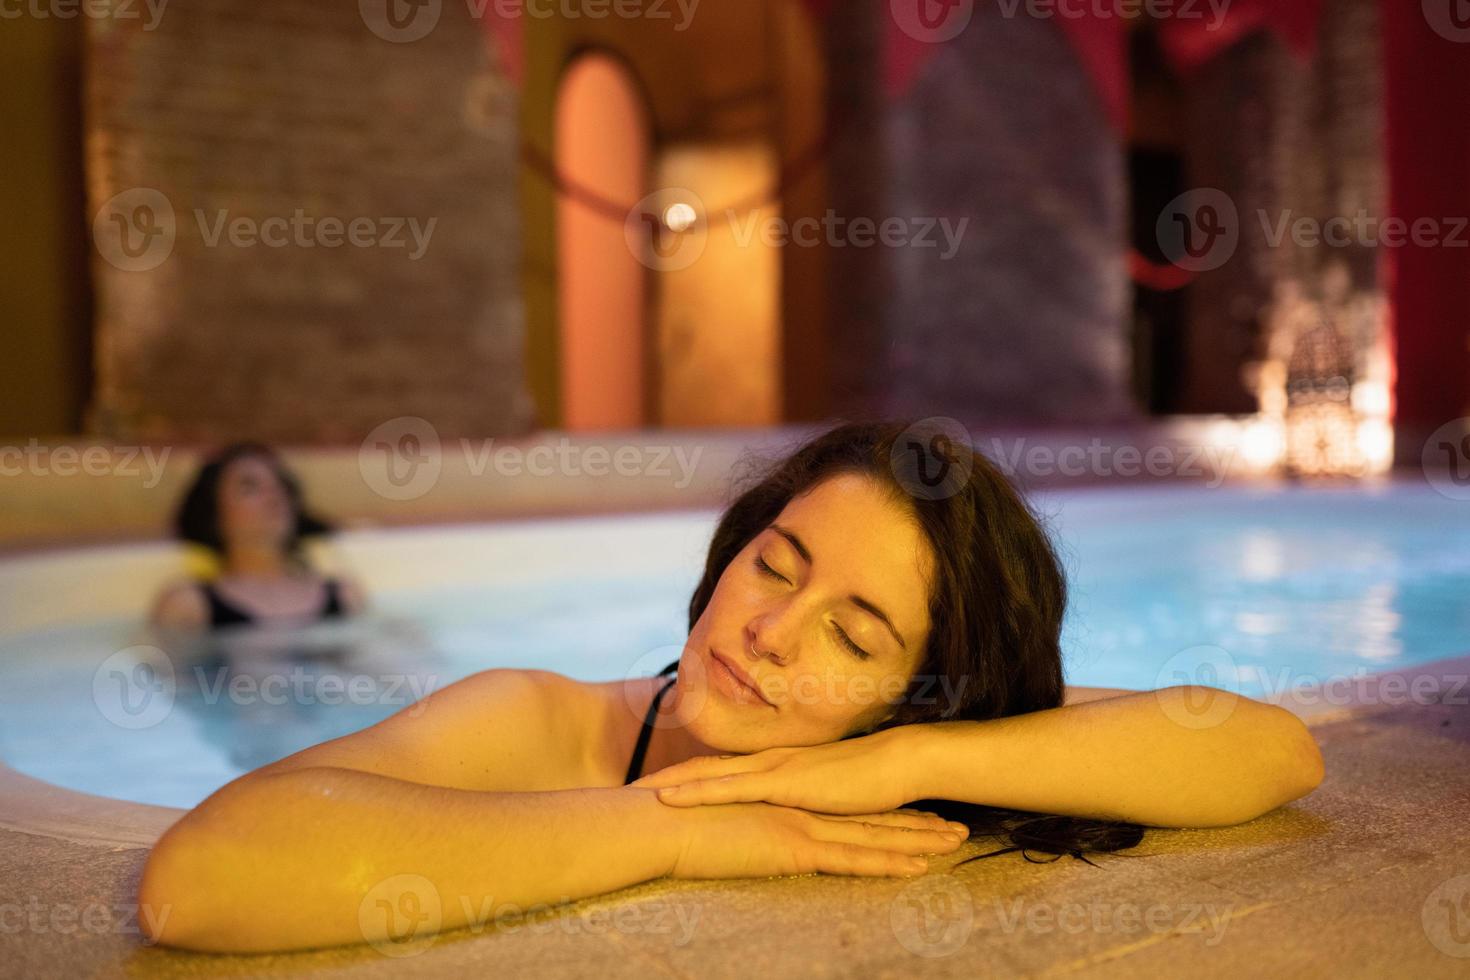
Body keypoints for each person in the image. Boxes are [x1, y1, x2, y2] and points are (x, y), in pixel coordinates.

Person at [136, 420, 1324, 953]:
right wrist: (673, 827)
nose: (765, 628)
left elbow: (1274, 753)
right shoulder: (541, 718)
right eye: (775, 563)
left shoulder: (913, 743)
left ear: (920, 692)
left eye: (852, 635)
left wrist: (900, 762)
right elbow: (201, 880)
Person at [150, 443, 367, 631]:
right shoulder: (187, 607)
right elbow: (164, 676)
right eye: (250, 487)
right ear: (214, 515)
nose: (274, 496)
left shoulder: (344, 596)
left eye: (280, 485)